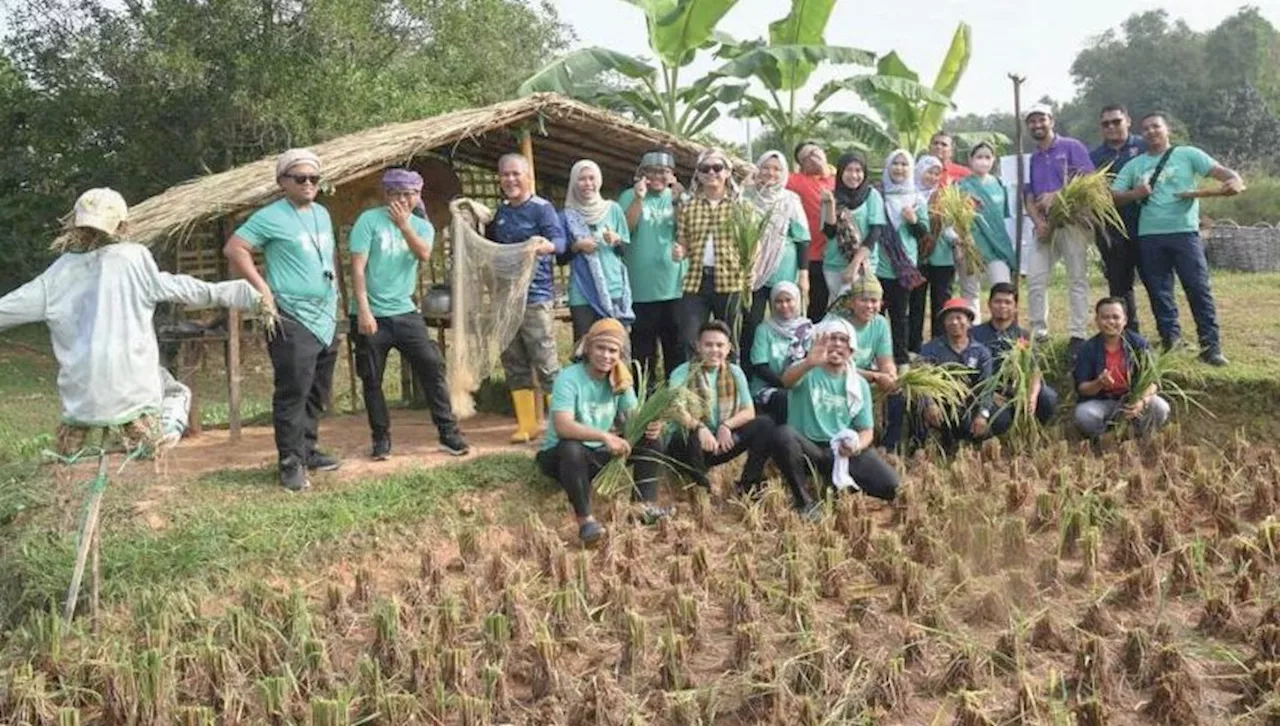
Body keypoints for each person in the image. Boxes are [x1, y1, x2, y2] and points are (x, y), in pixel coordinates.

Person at [2, 189, 261, 456]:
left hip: (81, 396)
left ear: (74, 224)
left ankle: (67, 459)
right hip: (132, 389)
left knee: (68, 453)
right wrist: (236, 293)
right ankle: (162, 439)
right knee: (177, 392)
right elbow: (176, 287)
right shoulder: (134, 257)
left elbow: (9, 308)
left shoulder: (58, 272)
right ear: (123, 225)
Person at [224, 149, 343, 490]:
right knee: (293, 390)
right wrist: (263, 288)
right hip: (291, 315)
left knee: (317, 389)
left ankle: (307, 450)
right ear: (282, 182)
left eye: (314, 179)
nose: (308, 184)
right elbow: (235, 248)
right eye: (300, 178)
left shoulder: (321, 213)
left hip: (324, 315)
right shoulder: (270, 216)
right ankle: (290, 463)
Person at [348, 169, 469, 461]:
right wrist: (364, 309)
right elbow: (358, 268)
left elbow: (424, 254)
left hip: (404, 311)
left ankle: (448, 433)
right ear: (386, 195)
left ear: (418, 196)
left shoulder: (421, 226)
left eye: (410, 194)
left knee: (431, 365)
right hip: (370, 313)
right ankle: (381, 439)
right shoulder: (369, 221)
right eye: (398, 194)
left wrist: (404, 226)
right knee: (372, 378)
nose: (404, 199)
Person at [1110, 112, 1244, 367]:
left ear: (1167, 129)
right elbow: (1113, 196)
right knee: (1160, 293)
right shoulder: (1135, 165)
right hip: (1149, 236)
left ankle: (1211, 346)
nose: (1151, 131)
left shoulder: (1188, 154)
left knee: (1198, 288)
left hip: (1185, 233)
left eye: (1156, 126)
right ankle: (1171, 340)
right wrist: (1135, 193)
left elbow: (1221, 172)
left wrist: (1234, 179)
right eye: (1146, 128)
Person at [536, 318, 666, 545]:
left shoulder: (620, 378)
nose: (606, 356)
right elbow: (563, 426)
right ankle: (586, 521)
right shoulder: (569, 378)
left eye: (613, 350)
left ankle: (644, 507)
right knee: (571, 448)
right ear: (588, 348)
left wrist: (649, 424)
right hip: (561, 456)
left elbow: (632, 418)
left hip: (599, 453)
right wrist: (605, 436)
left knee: (652, 440)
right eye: (601, 348)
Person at [774, 317, 901, 517]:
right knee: (783, 435)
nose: (837, 345)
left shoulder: (858, 384)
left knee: (892, 486)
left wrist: (856, 445)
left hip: (841, 451)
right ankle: (804, 502)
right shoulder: (806, 371)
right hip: (809, 449)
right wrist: (808, 363)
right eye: (832, 338)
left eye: (843, 340)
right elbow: (786, 381)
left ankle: (840, 485)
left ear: (851, 350)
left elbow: (866, 430)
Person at [486, 153, 568, 442]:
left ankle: (560, 427)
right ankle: (527, 424)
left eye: (515, 174)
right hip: (506, 298)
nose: (510, 179)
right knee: (514, 360)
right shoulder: (501, 212)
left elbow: (560, 242)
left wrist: (546, 246)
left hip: (536, 296)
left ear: (527, 176)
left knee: (545, 361)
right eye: (505, 175)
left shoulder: (542, 209)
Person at [668, 320, 786, 498]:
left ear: (728, 348)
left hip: (721, 443)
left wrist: (727, 426)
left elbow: (748, 411)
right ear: (698, 346)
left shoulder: (735, 372)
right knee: (688, 436)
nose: (714, 350)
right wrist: (699, 427)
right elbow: (675, 409)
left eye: (719, 345)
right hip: (689, 445)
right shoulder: (681, 372)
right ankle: (701, 489)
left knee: (765, 424)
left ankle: (748, 484)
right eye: (708, 345)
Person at [1022, 104, 1096, 354]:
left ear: (1051, 120)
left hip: (1072, 224)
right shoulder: (1033, 157)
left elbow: (1089, 182)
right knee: (1035, 279)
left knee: (1076, 279)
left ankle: (1078, 333)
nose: (1037, 125)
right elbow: (1030, 197)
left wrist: (1057, 195)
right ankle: (1039, 332)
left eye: (1041, 119)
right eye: (1032, 121)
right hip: (1044, 228)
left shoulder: (1071, 147)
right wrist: (1039, 223)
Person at [620, 148, 686, 383]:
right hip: (641, 287)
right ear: (642, 173)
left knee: (676, 347)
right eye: (652, 172)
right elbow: (625, 229)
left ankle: (674, 396)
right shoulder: (630, 195)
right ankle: (645, 400)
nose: (658, 177)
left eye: (664, 172)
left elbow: (686, 231)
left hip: (674, 287)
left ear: (672, 175)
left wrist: (679, 199)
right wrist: (639, 197)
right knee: (643, 349)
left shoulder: (678, 197)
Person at [674, 148, 744, 360]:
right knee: (690, 338)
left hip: (730, 281)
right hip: (696, 280)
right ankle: (694, 388)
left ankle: (731, 386)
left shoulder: (741, 208)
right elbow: (683, 242)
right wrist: (680, 251)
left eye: (717, 168)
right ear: (698, 174)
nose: (711, 173)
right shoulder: (689, 208)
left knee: (730, 340)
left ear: (727, 172)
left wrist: (749, 275)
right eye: (705, 168)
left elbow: (752, 246)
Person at [741, 150, 810, 358]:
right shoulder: (746, 197)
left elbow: (802, 237)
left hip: (784, 271)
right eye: (766, 168)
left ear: (784, 173)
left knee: (788, 320)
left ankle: (788, 364)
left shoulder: (790, 199)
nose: (771, 173)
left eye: (777, 169)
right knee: (751, 322)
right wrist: (744, 185)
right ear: (757, 169)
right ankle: (750, 368)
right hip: (752, 272)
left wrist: (803, 274)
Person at [1072, 297, 1171, 438]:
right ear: (1097, 321)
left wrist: (1141, 402)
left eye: (1116, 317)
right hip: (1103, 401)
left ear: (1125, 320)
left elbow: (1153, 381)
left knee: (1161, 408)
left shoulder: (1139, 344)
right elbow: (1082, 388)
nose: (1111, 322)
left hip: (1133, 399)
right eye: (1105, 317)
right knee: (1083, 414)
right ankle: (1106, 439)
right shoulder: (1087, 348)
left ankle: (1139, 437)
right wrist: (1099, 383)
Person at [917, 298, 1008, 450]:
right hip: (942, 404)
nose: (954, 322)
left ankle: (975, 442)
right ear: (944, 323)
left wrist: (982, 414)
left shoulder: (981, 352)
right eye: (950, 318)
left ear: (969, 322)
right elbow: (922, 380)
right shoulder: (931, 349)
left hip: (969, 403)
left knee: (1001, 419)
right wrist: (929, 404)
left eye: (959, 317)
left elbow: (987, 387)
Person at [1090, 105, 1147, 332]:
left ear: (1128, 121)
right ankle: (1128, 334)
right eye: (1106, 124)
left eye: (1116, 121)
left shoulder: (1145, 147)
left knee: (1156, 283)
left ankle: (1170, 335)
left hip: (1147, 226)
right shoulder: (1094, 157)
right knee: (1120, 286)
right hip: (1110, 229)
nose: (1111, 127)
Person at [563, 159, 634, 341]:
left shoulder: (613, 209)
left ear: (599, 180)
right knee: (584, 344)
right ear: (574, 182)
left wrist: (617, 240)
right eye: (582, 179)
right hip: (582, 290)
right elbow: (560, 257)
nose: (588, 184)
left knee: (615, 343)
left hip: (614, 287)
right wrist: (578, 246)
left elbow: (625, 251)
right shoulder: (566, 216)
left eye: (591, 178)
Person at [970, 283, 1058, 426]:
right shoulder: (975, 335)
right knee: (1000, 421)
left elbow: (1035, 370)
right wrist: (990, 394)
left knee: (1048, 397)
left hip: (1018, 389)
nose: (1002, 306)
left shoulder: (1024, 336)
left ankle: (1032, 427)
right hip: (987, 392)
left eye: (1008, 302)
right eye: (997, 301)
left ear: (1015, 307)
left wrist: (1032, 396)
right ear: (989, 304)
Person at [876, 150, 928, 365]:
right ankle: (874, 359)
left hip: (904, 267)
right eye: (895, 163)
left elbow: (924, 235)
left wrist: (913, 220)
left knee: (899, 317)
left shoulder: (917, 197)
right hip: (878, 266)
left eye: (904, 164)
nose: (899, 168)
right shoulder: (877, 195)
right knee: (874, 316)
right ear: (887, 167)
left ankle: (901, 360)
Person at [956, 142, 1016, 317]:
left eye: (987, 157)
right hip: (972, 246)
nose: (983, 161)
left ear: (993, 160)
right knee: (970, 294)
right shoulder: (961, 186)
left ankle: (1002, 333)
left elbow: (1006, 216)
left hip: (998, 247)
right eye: (979, 157)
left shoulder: (1000, 184)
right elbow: (955, 219)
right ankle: (972, 335)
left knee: (1002, 290)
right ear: (970, 160)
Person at [821, 153, 886, 297]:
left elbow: (875, 233)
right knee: (837, 310)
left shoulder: (872, 195)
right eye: (849, 170)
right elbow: (829, 232)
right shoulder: (830, 196)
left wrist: (854, 265)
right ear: (841, 172)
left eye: (858, 170)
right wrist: (831, 204)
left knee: (861, 307)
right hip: (834, 264)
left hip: (864, 265)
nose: (854, 175)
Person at [909, 155, 953, 354]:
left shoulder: (946, 196)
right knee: (916, 305)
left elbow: (952, 226)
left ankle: (939, 348)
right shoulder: (908, 194)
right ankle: (914, 349)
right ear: (919, 171)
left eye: (937, 173)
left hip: (943, 257)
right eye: (929, 172)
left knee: (941, 304)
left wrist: (958, 241)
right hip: (917, 259)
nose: (933, 177)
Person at [748, 282, 811, 423]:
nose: (784, 306)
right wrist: (785, 383)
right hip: (768, 387)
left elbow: (811, 361)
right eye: (778, 301)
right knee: (785, 398)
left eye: (789, 300)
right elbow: (759, 366)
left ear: (797, 300)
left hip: (800, 386)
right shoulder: (764, 330)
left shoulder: (807, 328)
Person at [787, 142, 836, 319]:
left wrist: (826, 170)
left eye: (815, 152)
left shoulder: (842, 178)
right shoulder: (795, 181)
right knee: (816, 304)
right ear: (801, 166)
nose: (813, 159)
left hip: (838, 255)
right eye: (806, 158)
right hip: (812, 256)